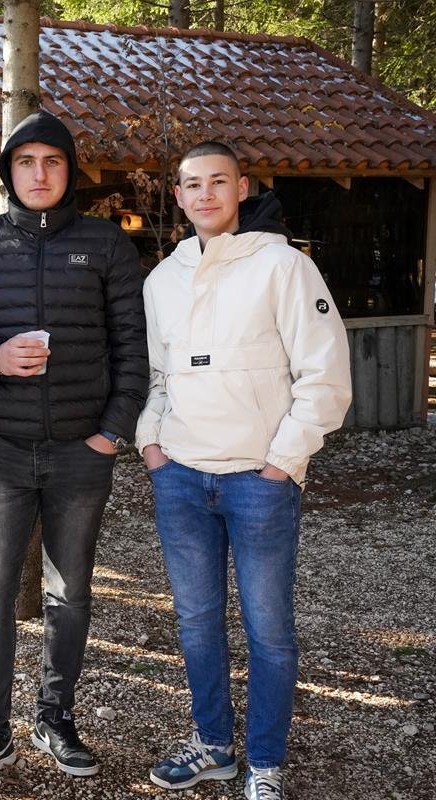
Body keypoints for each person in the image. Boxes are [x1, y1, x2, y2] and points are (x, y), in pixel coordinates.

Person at [0, 111, 148, 792]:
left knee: (69, 593)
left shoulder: (106, 245)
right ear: (8, 172)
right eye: (26, 162)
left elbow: (134, 347)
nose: (40, 173)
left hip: (82, 451)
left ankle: (56, 717)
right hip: (1, 450)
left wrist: (110, 432)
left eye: (53, 161)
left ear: (70, 171)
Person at [138, 141, 351, 800]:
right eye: (192, 184)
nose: (205, 194)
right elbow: (156, 375)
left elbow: (325, 375)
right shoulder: (162, 279)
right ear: (178, 196)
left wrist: (284, 461)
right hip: (181, 476)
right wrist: (151, 444)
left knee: (269, 631)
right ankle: (213, 746)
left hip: (258, 480)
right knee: (197, 624)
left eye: (218, 182)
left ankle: (264, 763)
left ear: (241, 188)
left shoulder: (284, 266)